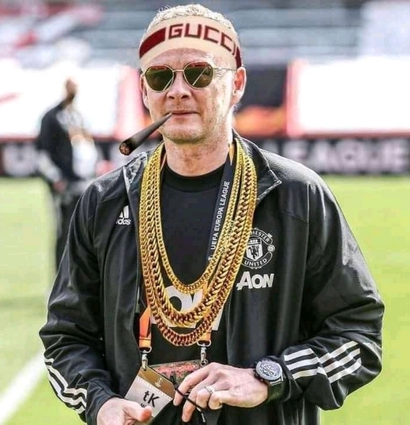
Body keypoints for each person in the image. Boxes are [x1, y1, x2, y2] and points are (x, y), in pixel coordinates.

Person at [39, 4, 384, 425]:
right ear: (144, 90)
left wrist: (270, 377)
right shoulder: (105, 202)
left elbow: (358, 336)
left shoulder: (295, 196)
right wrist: (101, 403)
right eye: (160, 77)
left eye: (199, 74)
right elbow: (65, 338)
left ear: (236, 84)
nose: (178, 91)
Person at [35, 77, 99, 271]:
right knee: (64, 231)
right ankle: (61, 278)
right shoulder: (51, 117)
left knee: (87, 232)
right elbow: (42, 153)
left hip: (84, 183)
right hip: (64, 186)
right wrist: (56, 178)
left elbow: (87, 146)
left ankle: (82, 277)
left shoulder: (78, 115)